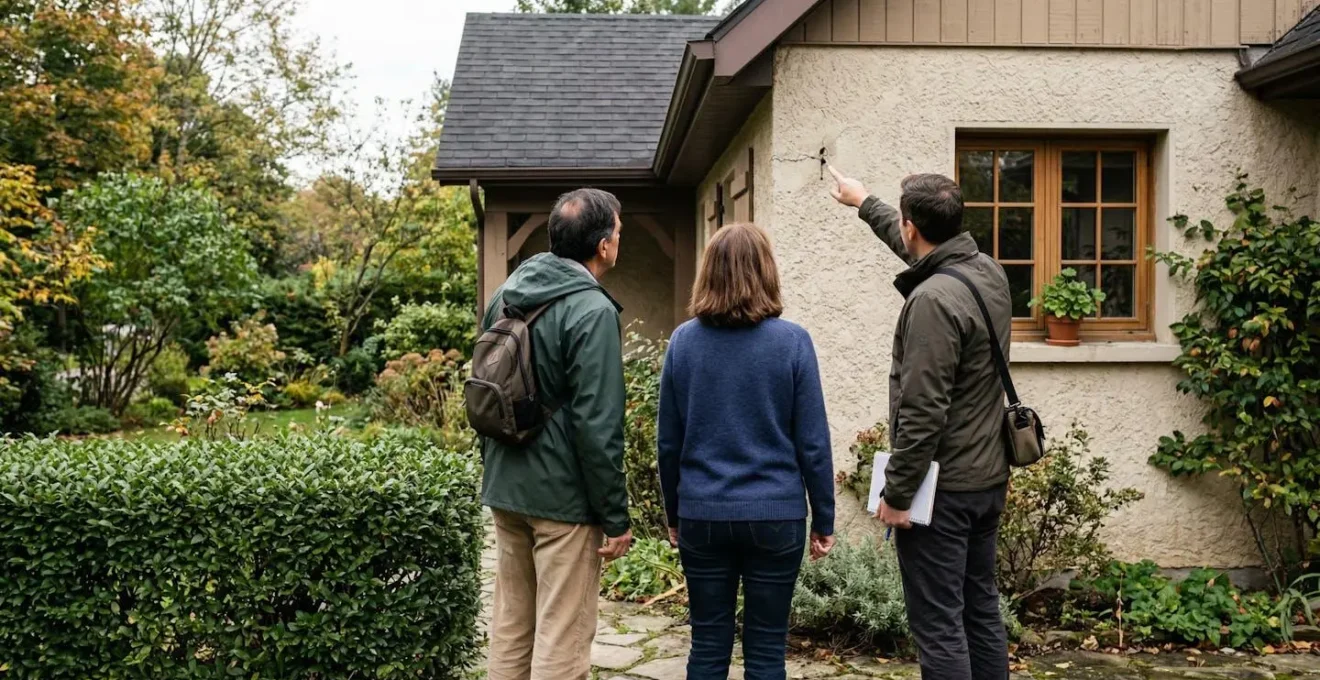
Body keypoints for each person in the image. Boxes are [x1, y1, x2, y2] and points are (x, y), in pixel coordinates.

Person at [827, 167, 1013, 680]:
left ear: (913, 227)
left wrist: (897, 493)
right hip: (986, 480)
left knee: (939, 624)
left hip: (943, 492)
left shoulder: (932, 300)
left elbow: (922, 411)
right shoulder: (987, 271)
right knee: (980, 609)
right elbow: (924, 252)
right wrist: (865, 202)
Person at [657, 222, 836, 680]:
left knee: (707, 645)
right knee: (767, 651)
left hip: (703, 514)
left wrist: (675, 514)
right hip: (776, 515)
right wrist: (824, 519)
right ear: (766, 272)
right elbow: (813, 442)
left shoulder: (683, 342)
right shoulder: (792, 342)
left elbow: (668, 443)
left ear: (708, 273)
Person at [482, 188, 633, 680]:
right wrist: (614, 516)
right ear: (603, 245)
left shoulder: (506, 293)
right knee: (561, 641)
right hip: (563, 502)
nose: (619, 239)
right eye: (619, 231)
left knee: (511, 627)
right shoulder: (592, 310)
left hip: (506, 488)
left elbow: (485, 389)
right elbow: (598, 426)